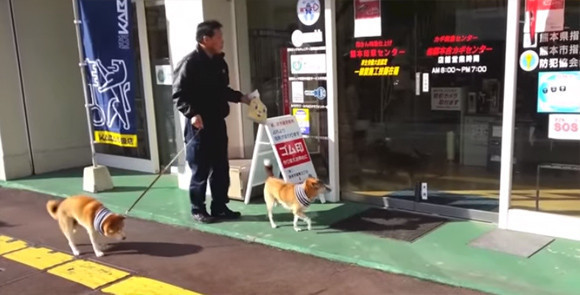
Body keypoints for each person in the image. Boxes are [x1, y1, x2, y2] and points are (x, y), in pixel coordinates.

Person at [172, 20, 251, 224]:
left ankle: (219, 206)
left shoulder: (218, 62)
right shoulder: (190, 63)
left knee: (221, 166)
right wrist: (192, 114)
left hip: (217, 122)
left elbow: (221, 90)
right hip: (198, 125)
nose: (222, 40)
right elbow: (178, 94)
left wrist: (241, 97)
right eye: (218, 37)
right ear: (205, 39)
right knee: (200, 167)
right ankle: (198, 208)